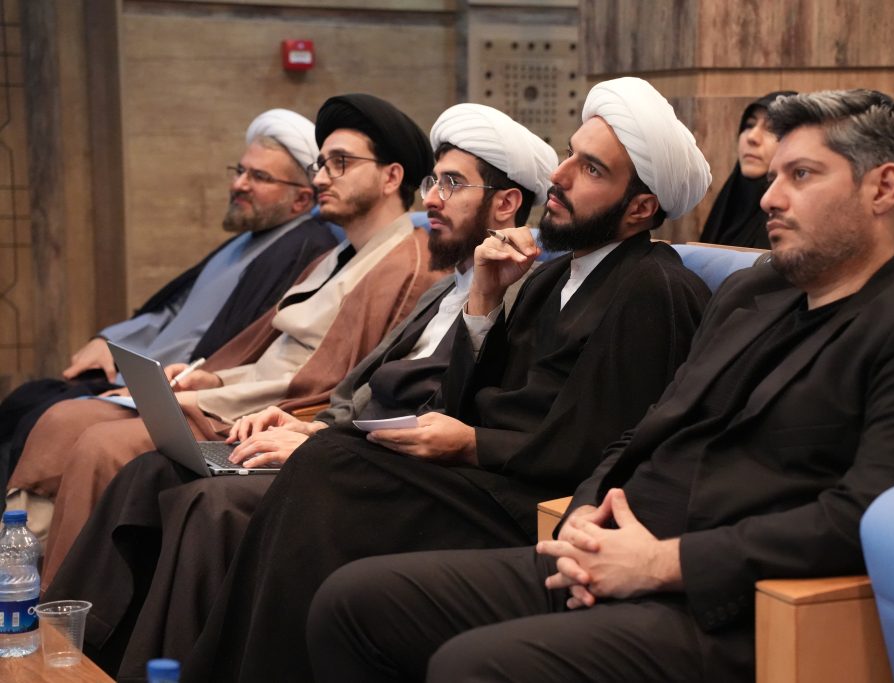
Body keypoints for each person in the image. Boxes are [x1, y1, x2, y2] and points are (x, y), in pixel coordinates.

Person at [305, 90, 894, 683]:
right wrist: (585, 515)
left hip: (732, 603)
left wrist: (663, 564)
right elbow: (646, 428)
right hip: (613, 554)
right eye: (775, 177)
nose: (770, 197)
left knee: (474, 665)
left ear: (884, 188)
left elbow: (869, 518)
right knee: (357, 600)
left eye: (801, 175)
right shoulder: (758, 290)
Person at [173, 76, 712, 683]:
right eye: (569, 154)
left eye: (590, 169)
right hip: (482, 476)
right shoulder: (547, 277)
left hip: (532, 501)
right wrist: (483, 300)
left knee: (331, 464)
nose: (559, 177)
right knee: (331, 451)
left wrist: (472, 444)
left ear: (640, 208)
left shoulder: (655, 287)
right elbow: (459, 402)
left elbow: (600, 445)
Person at [44, 101, 559, 681]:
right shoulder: (442, 291)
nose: (431, 199)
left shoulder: (524, 298)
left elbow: (453, 414)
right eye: (433, 182)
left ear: (506, 203)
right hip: (335, 447)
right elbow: (354, 387)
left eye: (452, 184)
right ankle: (62, 657)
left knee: (208, 507)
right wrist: (305, 425)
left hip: (382, 474)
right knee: (151, 473)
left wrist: (321, 440)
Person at [9, 93, 442, 586]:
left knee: (102, 445)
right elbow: (270, 350)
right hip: (239, 394)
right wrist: (210, 378)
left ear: (391, 177)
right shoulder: (336, 256)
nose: (322, 177)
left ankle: (61, 607)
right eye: (321, 164)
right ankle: (21, 574)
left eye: (340, 163)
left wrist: (210, 398)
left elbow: (337, 384)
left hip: (269, 412)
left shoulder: (407, 263)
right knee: (63, 418)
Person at [0, 108, 338, 484]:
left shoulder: (302, 249)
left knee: (48, 415)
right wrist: (109, 340)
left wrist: (154, 387)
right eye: (240, 171)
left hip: (180, 385)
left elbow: (241, 347)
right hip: (145, 372)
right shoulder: (248, 240)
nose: (239, 184)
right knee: (27, 400)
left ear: (301, 200)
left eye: (259, 177)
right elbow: (173, 308)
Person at [700, 91, 795, 248]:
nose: (752, 137)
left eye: (772, 128)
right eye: (749, 125)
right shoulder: (728, 204)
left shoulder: (794, 221)